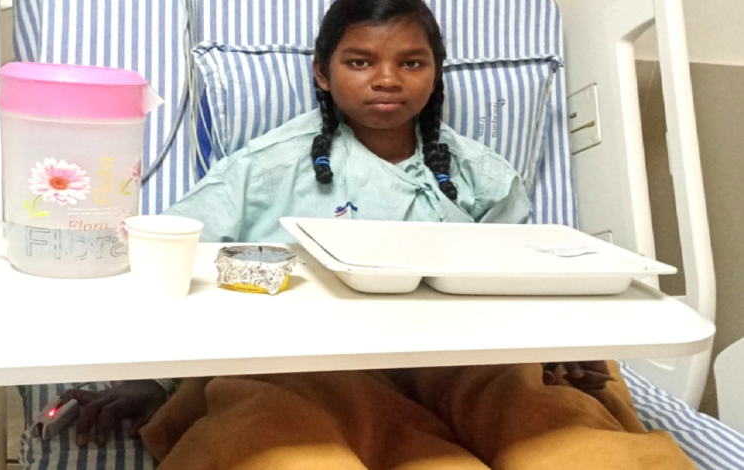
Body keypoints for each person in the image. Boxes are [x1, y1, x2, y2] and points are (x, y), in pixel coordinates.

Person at [61, 1, 695, 469]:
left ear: (436, 73)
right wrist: (148, 378)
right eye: (360, 61)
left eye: (410, 62)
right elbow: (171, 264)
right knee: (276, 435)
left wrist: (564, 341)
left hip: (468, 360)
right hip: (305, 362)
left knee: (553, 425)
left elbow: (528, 281)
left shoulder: (481, 176)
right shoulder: (261, 171)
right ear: (322, 73)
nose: (386, 78)